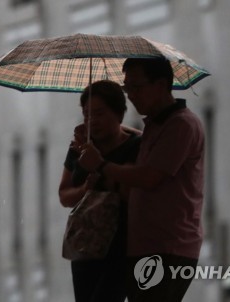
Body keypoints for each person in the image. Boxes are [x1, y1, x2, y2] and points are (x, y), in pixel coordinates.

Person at [78, 57, 205, 302]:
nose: (131, 95)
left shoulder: (181, 125)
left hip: (168, 246)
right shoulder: (155, 127)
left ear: (160, 84)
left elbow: (149, 177)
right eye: (127, 88)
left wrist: (102, 164)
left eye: (136, 87)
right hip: (145, 245)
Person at [58, 80, 141, 302]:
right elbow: (64, 195)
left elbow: (134, 195)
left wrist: (101, 167)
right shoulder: (79, 148)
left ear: (119, 114)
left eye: (99, 113)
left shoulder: (135, 147)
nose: (92, 121)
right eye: (86, 114)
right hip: (86, 245)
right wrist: (85, 188)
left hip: (123, 247)